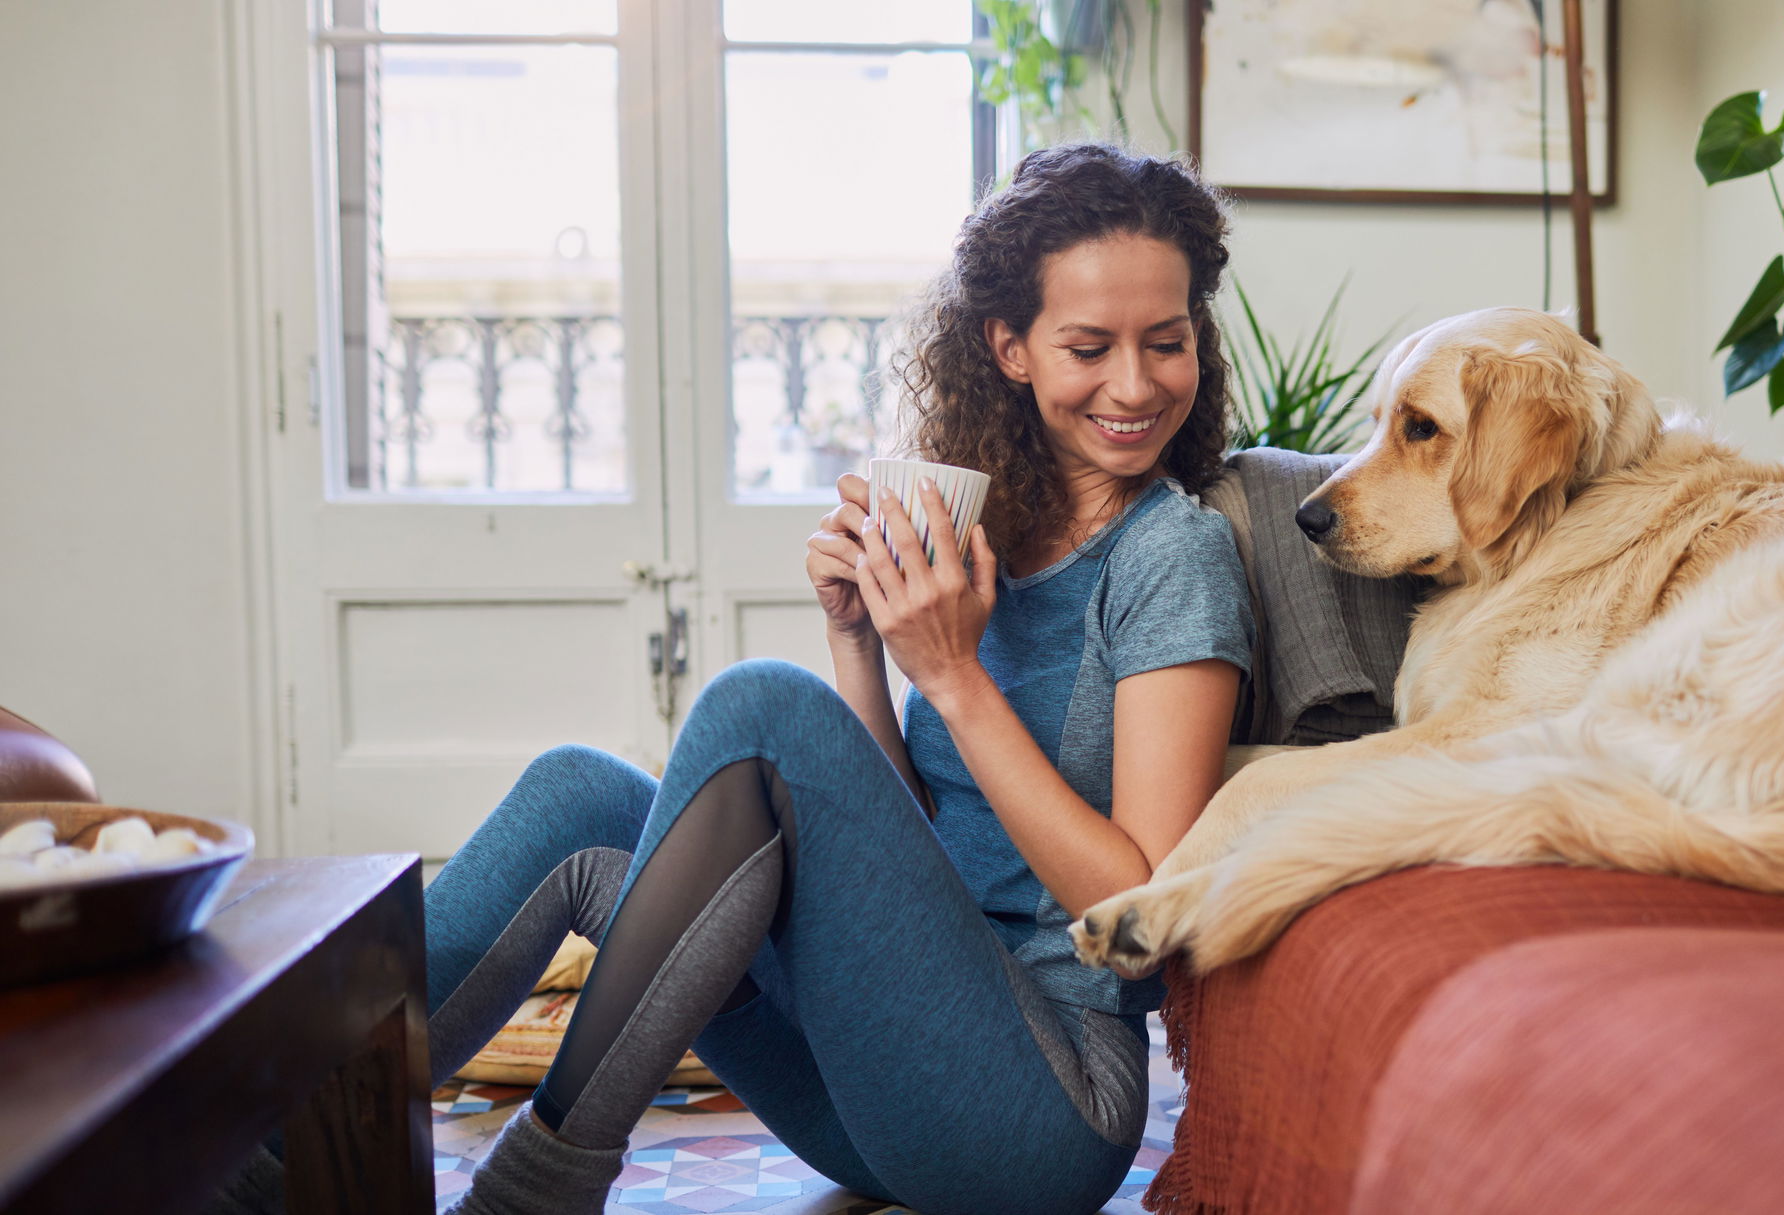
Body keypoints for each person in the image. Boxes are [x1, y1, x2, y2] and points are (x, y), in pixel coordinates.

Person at [422, 143, 1256, 1215]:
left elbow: (1138, 909)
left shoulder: (1170, 558)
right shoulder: (983, 531)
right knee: (579, 795)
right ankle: (274, 1144)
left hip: (1039, 1109)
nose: (1136, 385)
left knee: (758, 708)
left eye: (1168, 341)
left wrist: (953, 674)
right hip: (881, 1075)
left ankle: (539, 1184)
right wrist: (862, 641)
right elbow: (913, 849)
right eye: (1089, 346)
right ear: (1009, 347)